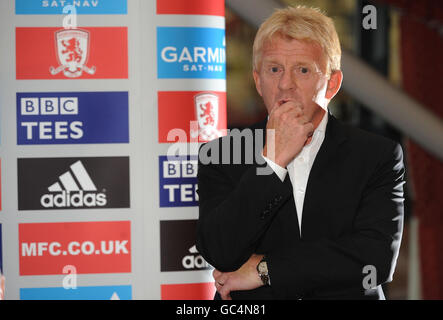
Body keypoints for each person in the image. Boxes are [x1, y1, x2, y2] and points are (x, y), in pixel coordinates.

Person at [196, 6, 405, 300]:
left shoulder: (376, 155)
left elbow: (374, 261)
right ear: (258, 81)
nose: (285, 84)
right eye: (274, 69)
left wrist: (265, 269)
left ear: (332, 84)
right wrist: (273, 161)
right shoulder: (222, 154)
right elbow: (220, 251)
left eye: (303, 70)